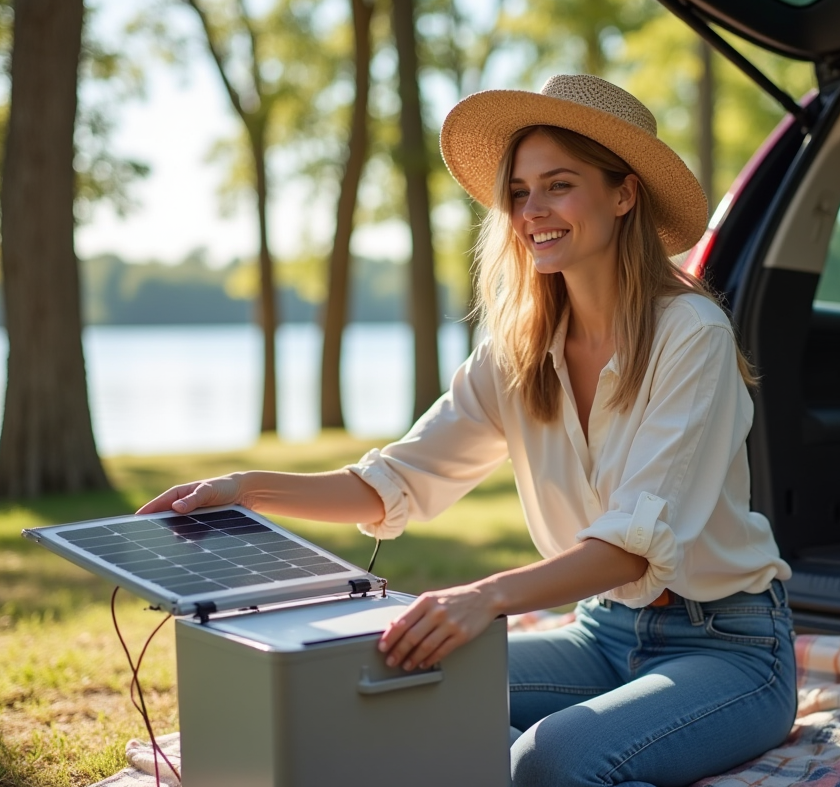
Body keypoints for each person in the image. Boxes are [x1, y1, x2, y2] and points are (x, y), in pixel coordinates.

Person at [139, 74, 797, 787]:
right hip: (601, 633)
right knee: (376, 693)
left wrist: (483, 596)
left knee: (549, 762)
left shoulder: (690, 334)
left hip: (728, 647)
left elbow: (629, 551)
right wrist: (246, 488)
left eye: (558, 185)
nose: (530, 211)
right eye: (519, 191)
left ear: (624, 194)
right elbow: (393, 482)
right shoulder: (517, 350)